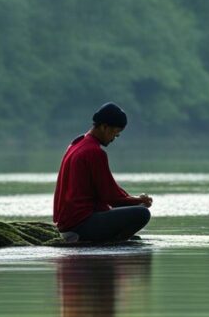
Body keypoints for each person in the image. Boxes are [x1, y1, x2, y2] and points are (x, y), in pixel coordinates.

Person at [53, 102, 153, 242]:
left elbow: (109, 188)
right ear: (104, 127)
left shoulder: (77, 143)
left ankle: (114, 238)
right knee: (142, 214)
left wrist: (134, 199)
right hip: (80, 224)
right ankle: (114, 241)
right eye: (115, 134)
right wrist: (138, 202)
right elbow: (111, 197)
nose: (113, 139)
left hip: (67, 223)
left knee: (133, 212)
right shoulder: (94, 152)